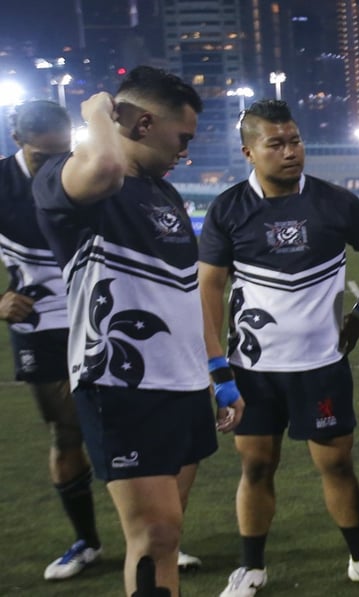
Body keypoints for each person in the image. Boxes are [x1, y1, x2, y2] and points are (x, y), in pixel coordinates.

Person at [33, 66, 243, 596]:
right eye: (182, 139)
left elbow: (187, 292)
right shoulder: (68, 177)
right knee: (153, 535)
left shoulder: (164, 194)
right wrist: (96, 112)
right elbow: (105, 165)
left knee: (169, 536)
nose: (184, 153)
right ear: (144, 123)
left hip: (184, 385)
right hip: (121, 385)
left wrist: (220, 373)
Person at [198, 99, 359, 596]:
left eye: (295, 141)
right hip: (252, 369)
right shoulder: (228, 208)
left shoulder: (335, 202)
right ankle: (250, 568)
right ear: (249, 152)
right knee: (256, 466)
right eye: (276, 144)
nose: (290, 151)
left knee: (337, 465)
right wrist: (219, 369)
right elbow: (209, 289)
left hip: (322, 365)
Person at [0, 100, 104, 581]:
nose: (54, 166)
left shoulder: (85, 172)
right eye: (43, 156)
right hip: (39, 323)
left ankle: (155, 535)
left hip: (99, 315)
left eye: (64, 152)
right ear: (17, 142)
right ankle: (86, 541)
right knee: (66, 432)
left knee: (125, 425)